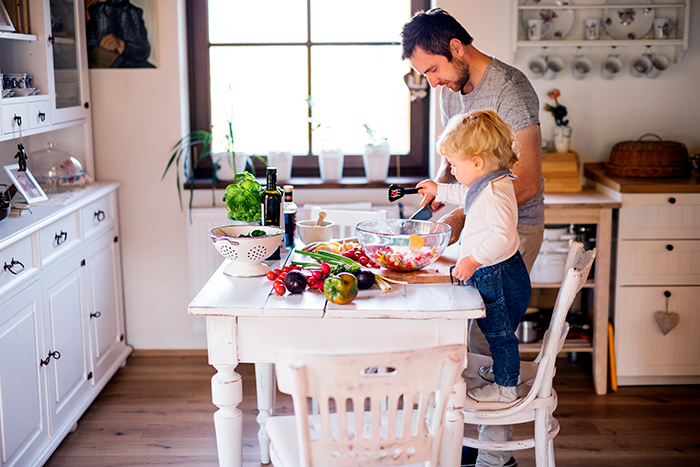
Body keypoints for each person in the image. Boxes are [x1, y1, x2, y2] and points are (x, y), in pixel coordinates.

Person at [402, 8, 545, 467]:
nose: (432, 81)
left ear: (456, 49)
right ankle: (462, 442)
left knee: (489, 335)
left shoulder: (510, 88)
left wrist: (462, 216)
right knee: (460, 332)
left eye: (432, 69)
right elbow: (457, 164)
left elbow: (526, 181)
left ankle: (494, 457)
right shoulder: (453, 89)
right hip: (476, 224)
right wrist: (433, 203)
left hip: (510, 229)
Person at [418, 109, 530, 402]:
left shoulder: (494, 194)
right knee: (497, 329)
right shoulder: (489, 183)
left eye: (454, 164)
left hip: (497, 274)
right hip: (498, 271)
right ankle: (505, 372)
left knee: (499, 332)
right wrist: (438, 189)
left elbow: (503, 236)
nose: (452, 170)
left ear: (477, 162)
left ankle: (506, 389)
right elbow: (465, 194)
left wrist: (473, 260)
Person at [86, 0, 155, 68]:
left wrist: (121, 45)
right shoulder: (91, 9)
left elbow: (143, 51)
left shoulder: (128, 10)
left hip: (127, 68)